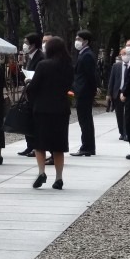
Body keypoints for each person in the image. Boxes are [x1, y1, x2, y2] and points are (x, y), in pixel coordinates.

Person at [25, 36, 73, 190]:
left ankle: (41, 172)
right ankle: (59, 177)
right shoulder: (68, 66)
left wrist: (28, 84)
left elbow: (34, 87)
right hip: (61, 109)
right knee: (59, 145)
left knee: (40, 144)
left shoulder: (43, 65)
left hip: (43, 108)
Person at [71, 29, 98, 156]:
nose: (77, 42)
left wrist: (92, 91)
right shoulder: (82, 54)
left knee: (85, 120)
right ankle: (88, 146)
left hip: (84, 92)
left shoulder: (87, 55)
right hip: (82, 91)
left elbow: (90, 76)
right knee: (84, 120)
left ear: (86, 41)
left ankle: (87, 146)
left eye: (79, 39)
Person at [17, 32, 44, 157]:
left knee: (35, 121)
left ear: (33, 44)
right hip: (29, 91)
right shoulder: (30, 57)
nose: (24, 45)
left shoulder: (40, 57)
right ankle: (30, 145)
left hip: (36, 92)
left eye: (26, 43)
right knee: (28, 118)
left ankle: (35, 145)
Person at [107, 53, 127, 141]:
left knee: (127, 113)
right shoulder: (116, 66)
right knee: (119, 114)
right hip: (117, 91)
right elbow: (112, 80)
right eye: (123, 54)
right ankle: (122, 132)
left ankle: (127, 132)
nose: (125, 56)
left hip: (128, 92)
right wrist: (109, 93)